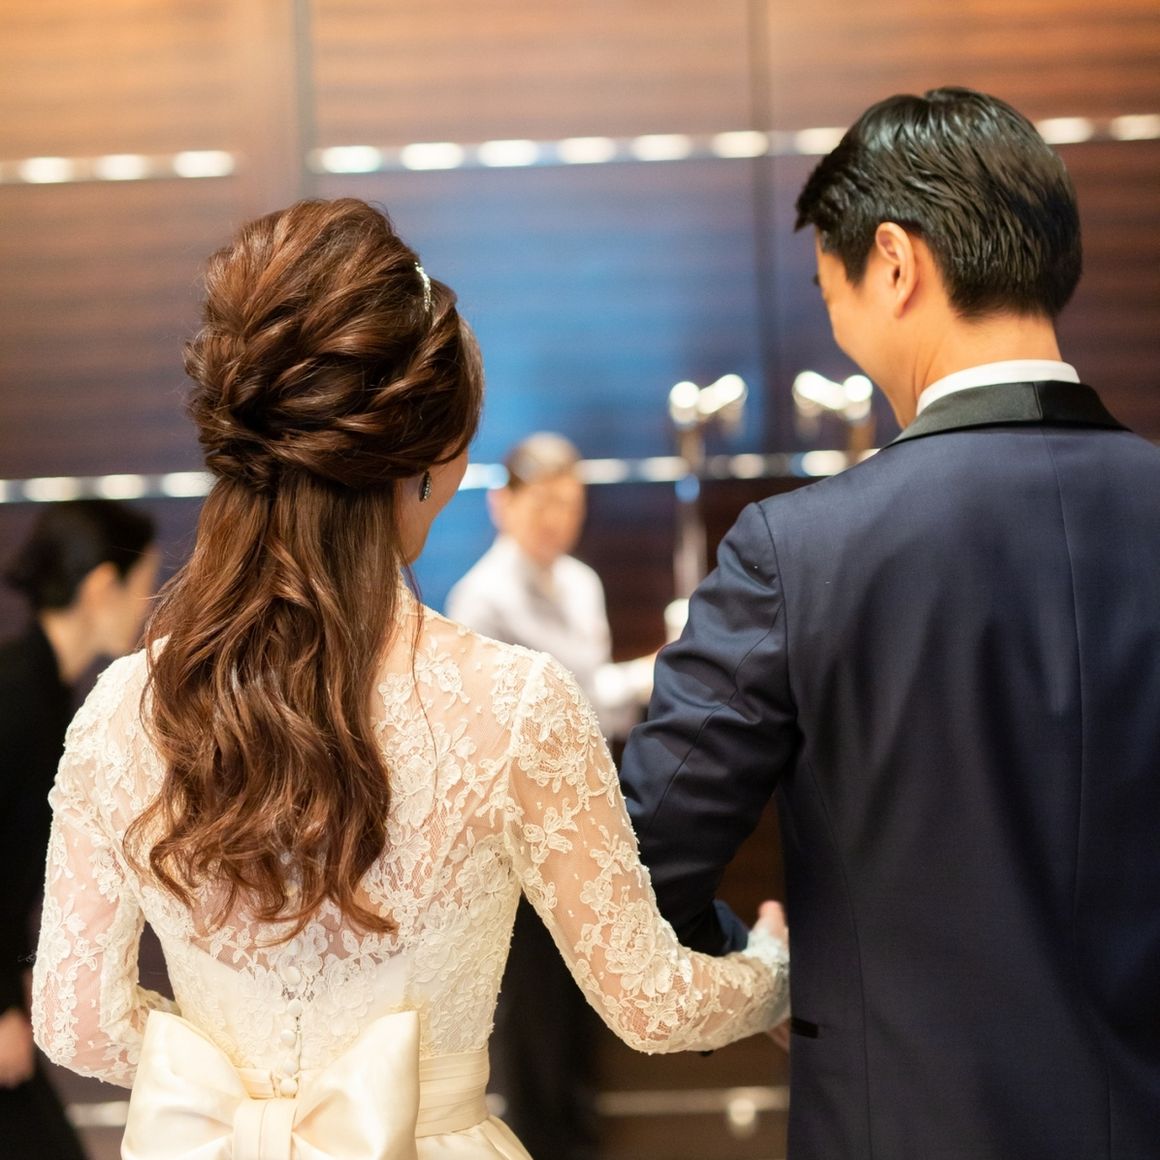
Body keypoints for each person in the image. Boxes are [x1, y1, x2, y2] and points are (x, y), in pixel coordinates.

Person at [30, 198, 789, 1160]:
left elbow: (76, 1021)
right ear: (432, 459)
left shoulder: (121, 709)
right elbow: (650, 1002)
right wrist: (773, 971)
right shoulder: (514, 706)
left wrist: (230, 1093)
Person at [619, 86, 1160, 1159]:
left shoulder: (799, 551)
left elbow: (638, 861)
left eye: (834, 294)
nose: (840, 328)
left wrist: (760, 968)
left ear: (895, 263)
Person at [447, 433, 653, 1159]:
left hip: (586, 819)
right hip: (518, 830)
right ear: (502, 504)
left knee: (585, 997)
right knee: (531, 1005)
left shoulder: (582, 582)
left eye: (570, 503)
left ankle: (579, 1137)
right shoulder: (481, 598)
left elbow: (592, 703)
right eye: (543, 503)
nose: (557, 519)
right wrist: (641, 679)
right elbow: (509, 724)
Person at [1, 499, 158, 1156]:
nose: (147, 606)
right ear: (100, 586)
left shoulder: (41, 687)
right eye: (144, 584)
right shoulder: (17, 695)